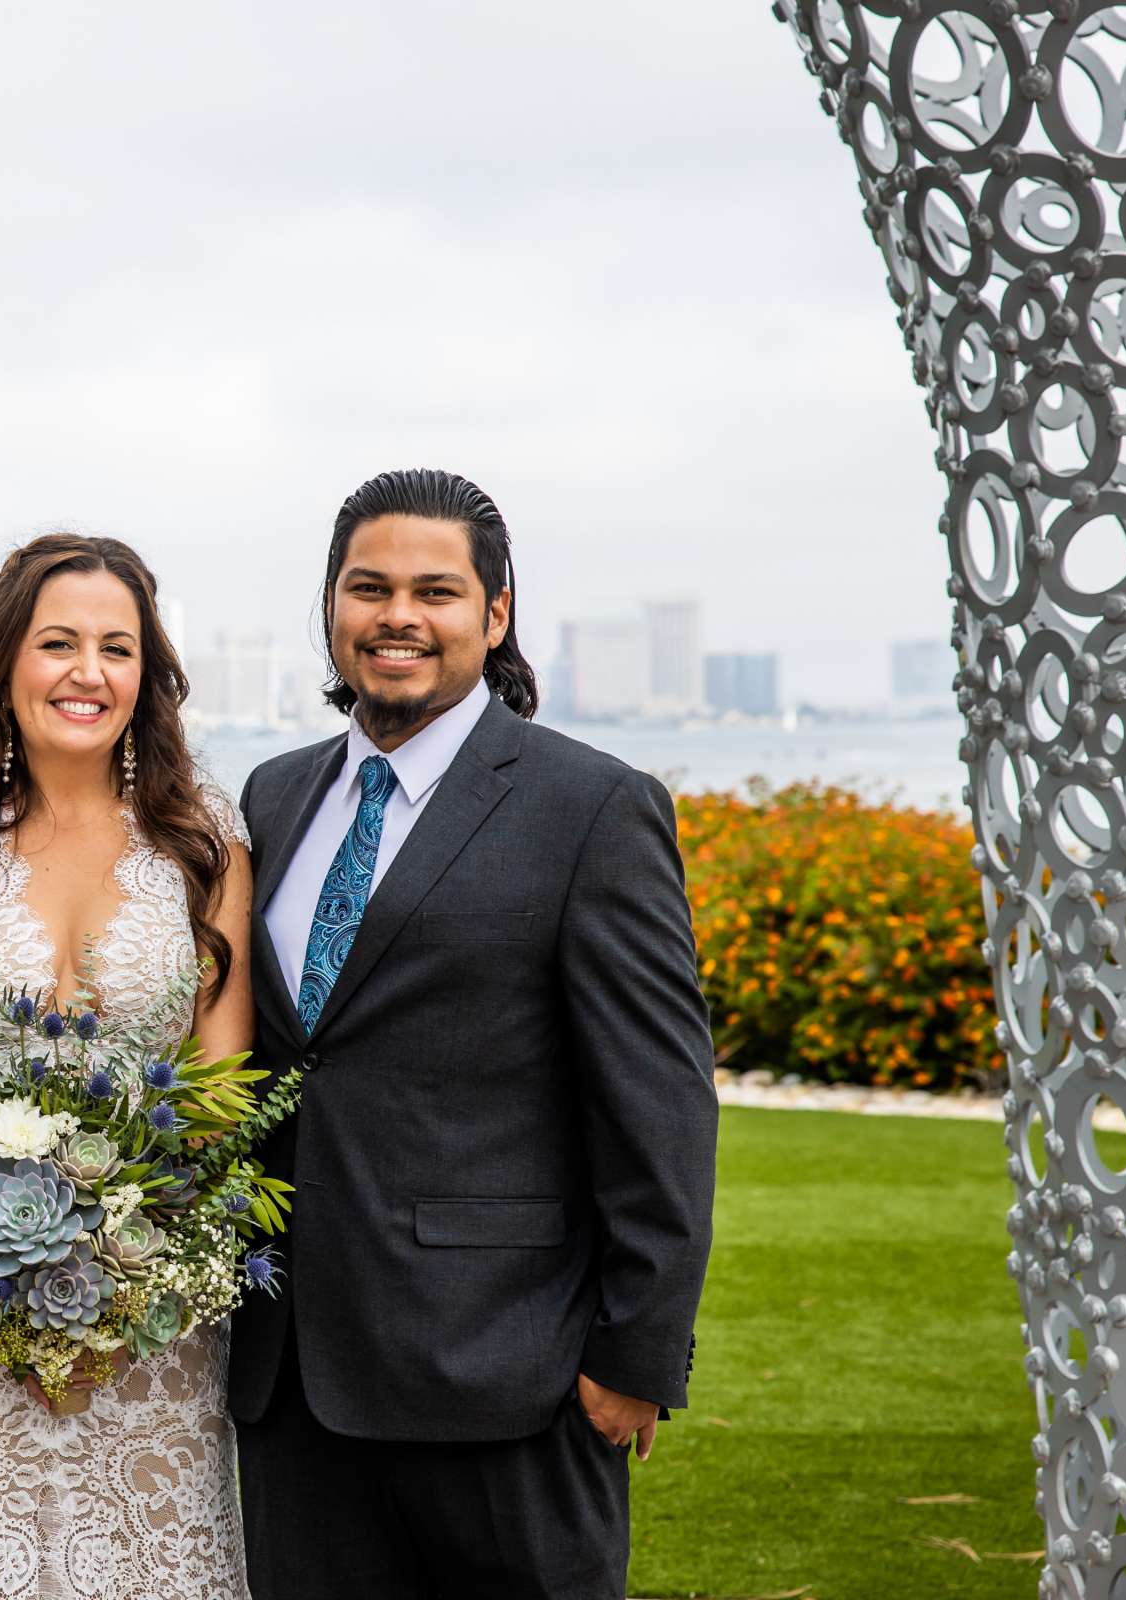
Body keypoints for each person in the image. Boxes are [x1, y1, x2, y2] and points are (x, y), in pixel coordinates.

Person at [230, 468, 717, 1600]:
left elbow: (659, 1098)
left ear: (494, 615)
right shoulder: (271, 798)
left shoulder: (591, 806)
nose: (398, 615)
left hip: (511, 1376)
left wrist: (636, 1352)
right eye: (369, 587)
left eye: (435, 590)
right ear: (333, 608)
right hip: (291, 1381)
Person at [0, 534, 256, 1600]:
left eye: (116, 648)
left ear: (146, 674)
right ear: (5, 663)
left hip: (150, 1320)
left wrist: (122, 1274)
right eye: (58, 642)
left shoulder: (204, 841)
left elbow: (217, 1087)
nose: (88, 672)